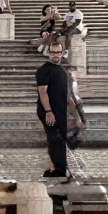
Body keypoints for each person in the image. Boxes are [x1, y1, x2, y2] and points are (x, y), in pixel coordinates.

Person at [36, 39, 69, 179]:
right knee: (56, 139)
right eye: (53, 52)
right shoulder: (44, 70)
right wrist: (49, 112)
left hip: (60, 110)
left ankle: (52, 168)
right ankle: (59, 170)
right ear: (48, 53)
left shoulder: (61, 70)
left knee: (57, 140)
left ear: (62, 53)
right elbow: (42, 92)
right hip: (49, 111)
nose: (56, 55)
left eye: (58, 52)